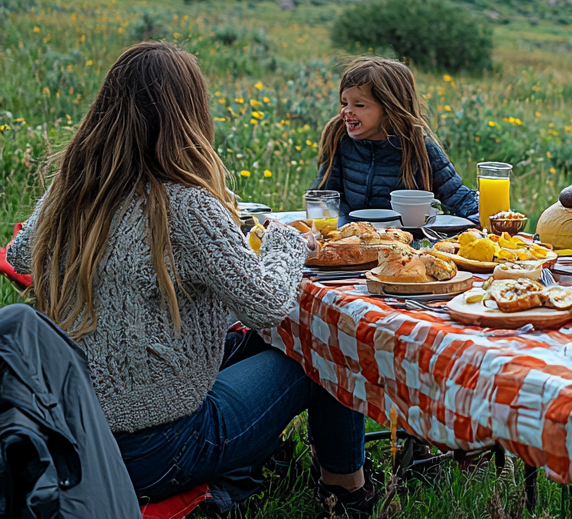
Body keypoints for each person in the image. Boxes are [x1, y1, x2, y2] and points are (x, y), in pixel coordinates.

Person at [8, 42, 376, 516]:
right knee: (328, 348)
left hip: (72, 429)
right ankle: (347, 492)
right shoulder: (185, 204)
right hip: (157, 450)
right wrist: (286, 244)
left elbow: (21, 253)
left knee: (279, 342)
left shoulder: (73, 185)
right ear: (188, 114)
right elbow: (265, 304)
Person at [314, 56, 479, 223]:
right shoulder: (341, 140)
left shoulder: (421, 147)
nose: (346, 111)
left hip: (408, 242)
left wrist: (487, 220)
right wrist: (342, 227)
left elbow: (461, 199)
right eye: (344, 103)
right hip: (353, 239)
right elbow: (324, 197)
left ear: (389, 108)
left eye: (359, 105)